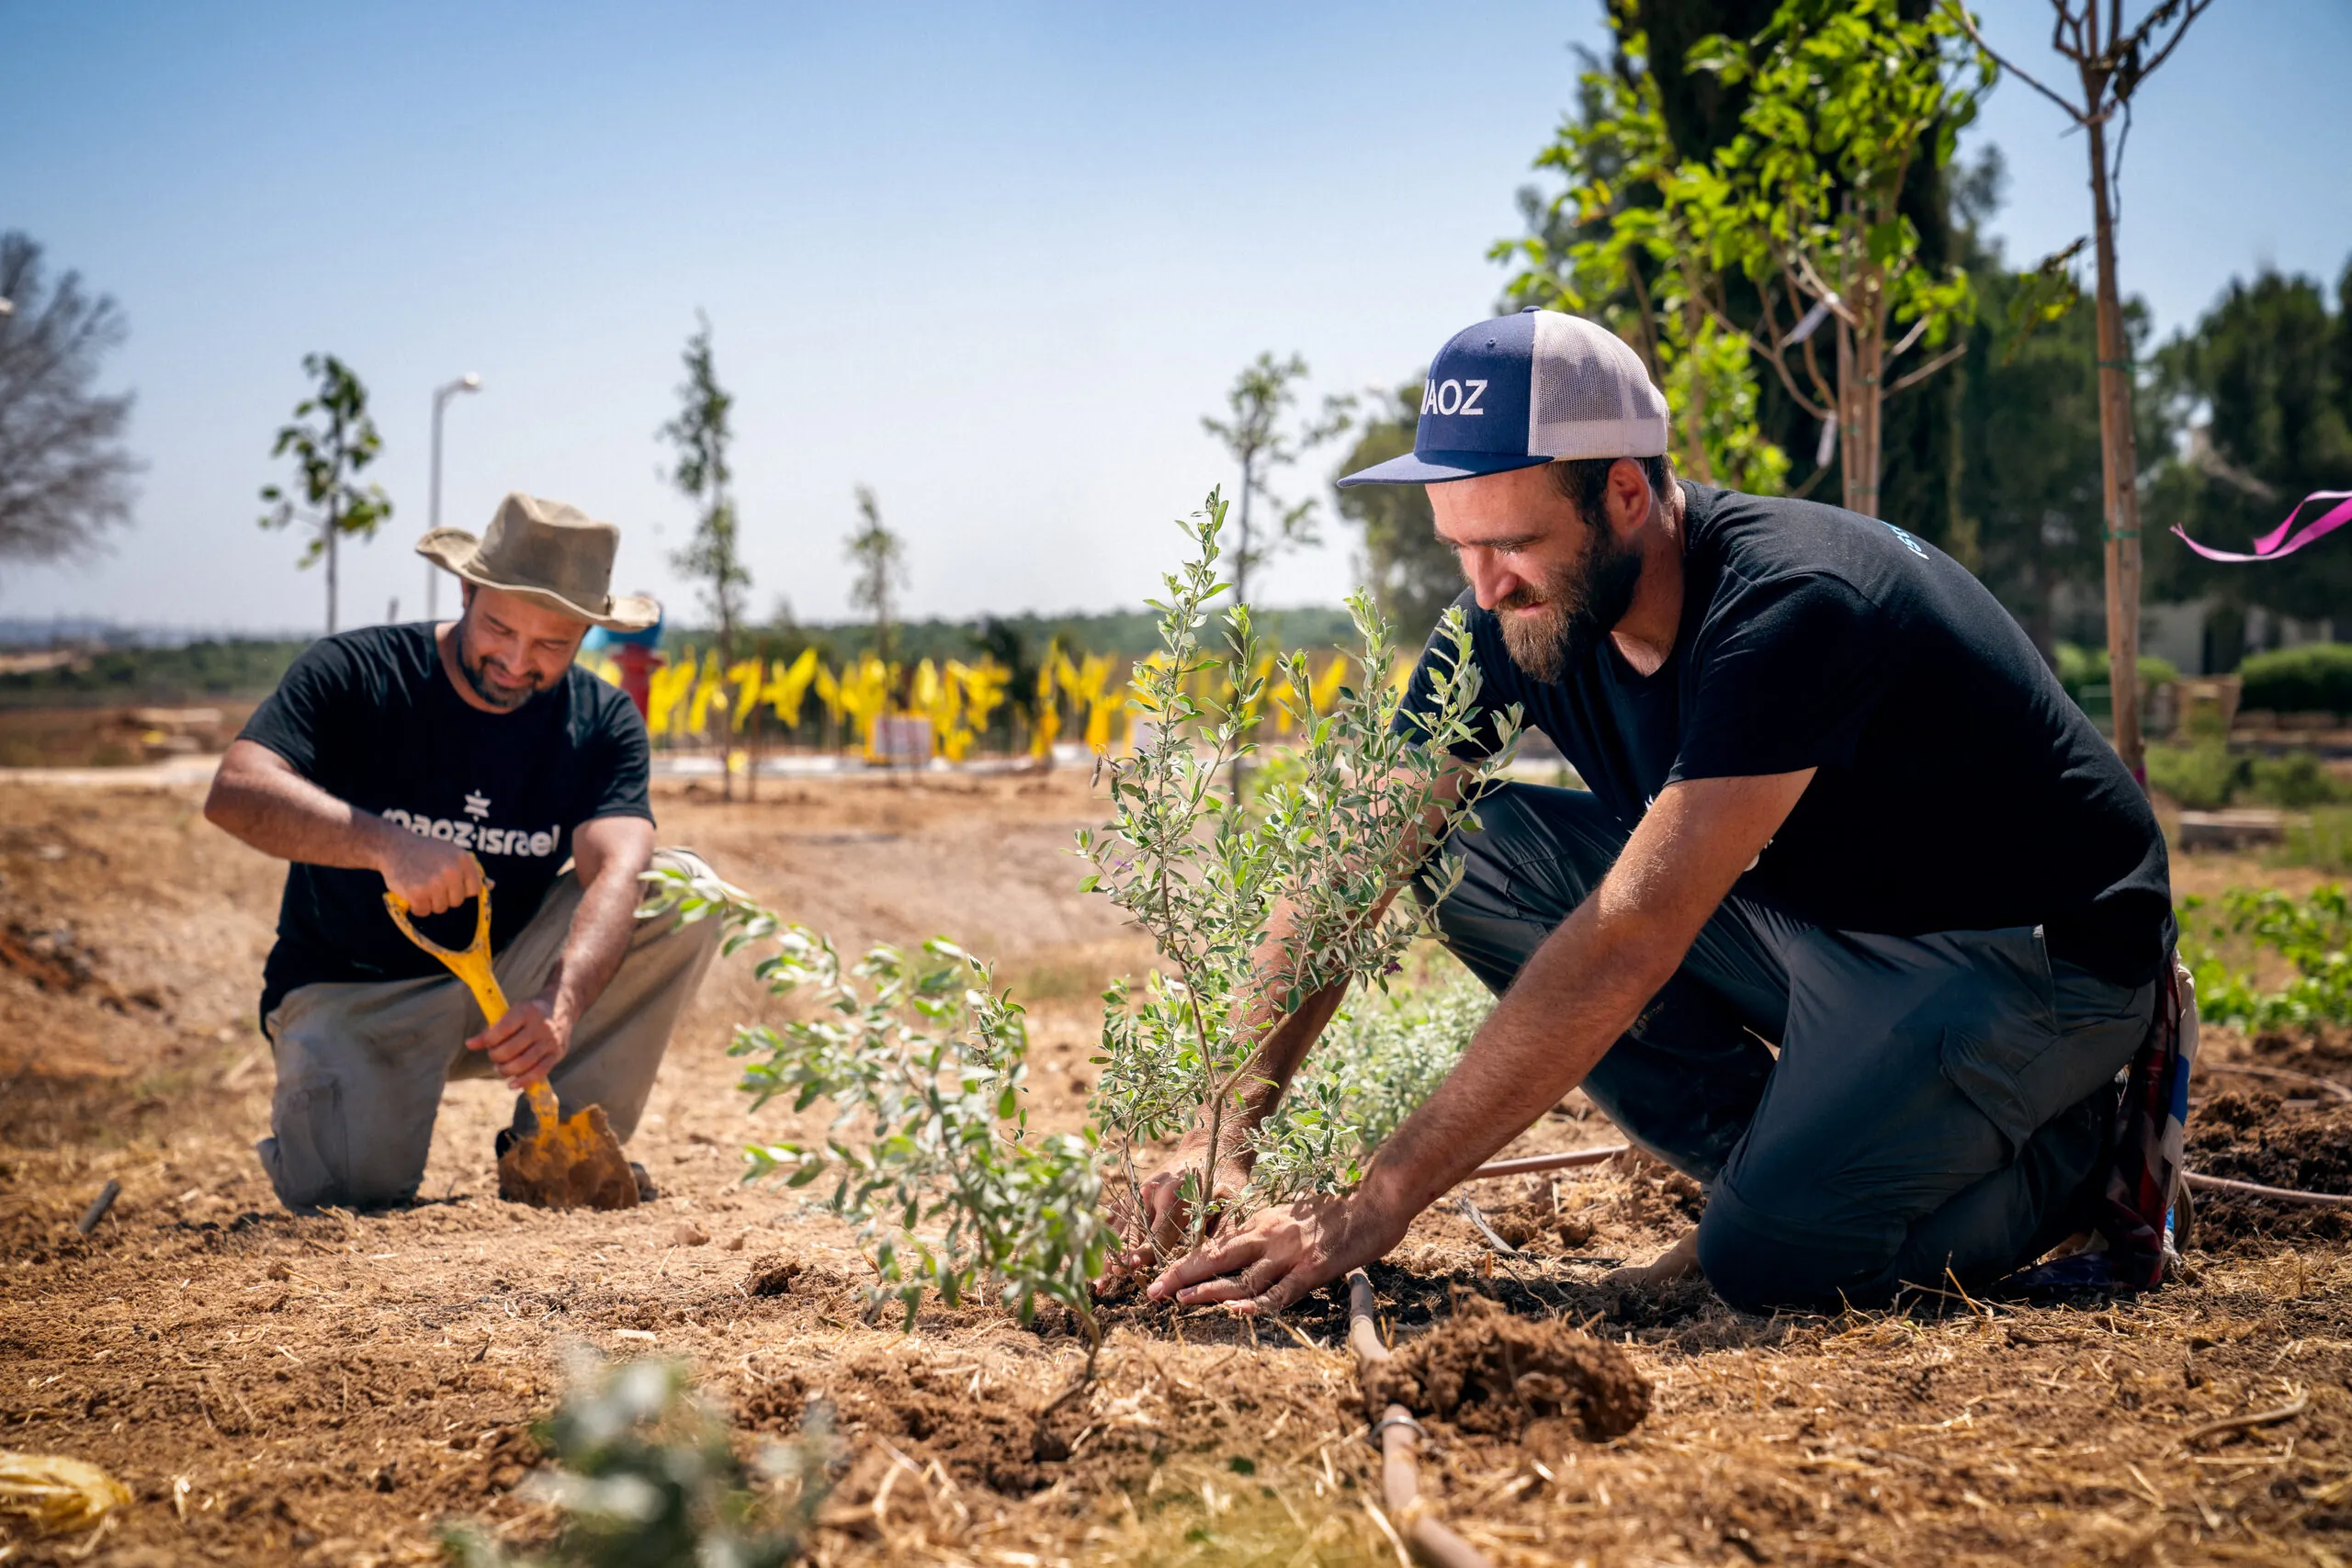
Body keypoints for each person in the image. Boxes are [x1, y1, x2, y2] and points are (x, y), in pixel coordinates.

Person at [1130, 309, 2177, 1316]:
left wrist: (1372, 1204)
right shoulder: (1505, 613)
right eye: (1460, 546)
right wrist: (1221, 1126)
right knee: (1462, 851)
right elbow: (1355, 860)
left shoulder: (1791, 602)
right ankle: (1776, 1163)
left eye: (1513, 543)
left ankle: (2074, 1153)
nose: (1485, 587)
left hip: (2021, 954)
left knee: (1772, 1264)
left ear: (1624, 492)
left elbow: (1630, 938)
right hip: (1810, 906)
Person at [207, 493, 723, 1213]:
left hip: (507, 979)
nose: (516, 662)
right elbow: (236, 791)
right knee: (350, 1194)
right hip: (355, 990)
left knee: (680, 888)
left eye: (551, 644)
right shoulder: (358, 672)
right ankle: (334, 1104)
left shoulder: (601, 721)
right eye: (500, 628)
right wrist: (386, 844)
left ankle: (555, 1153)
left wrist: (560, 1000)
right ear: (466, 590)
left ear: (586, 634)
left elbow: (621, 865)